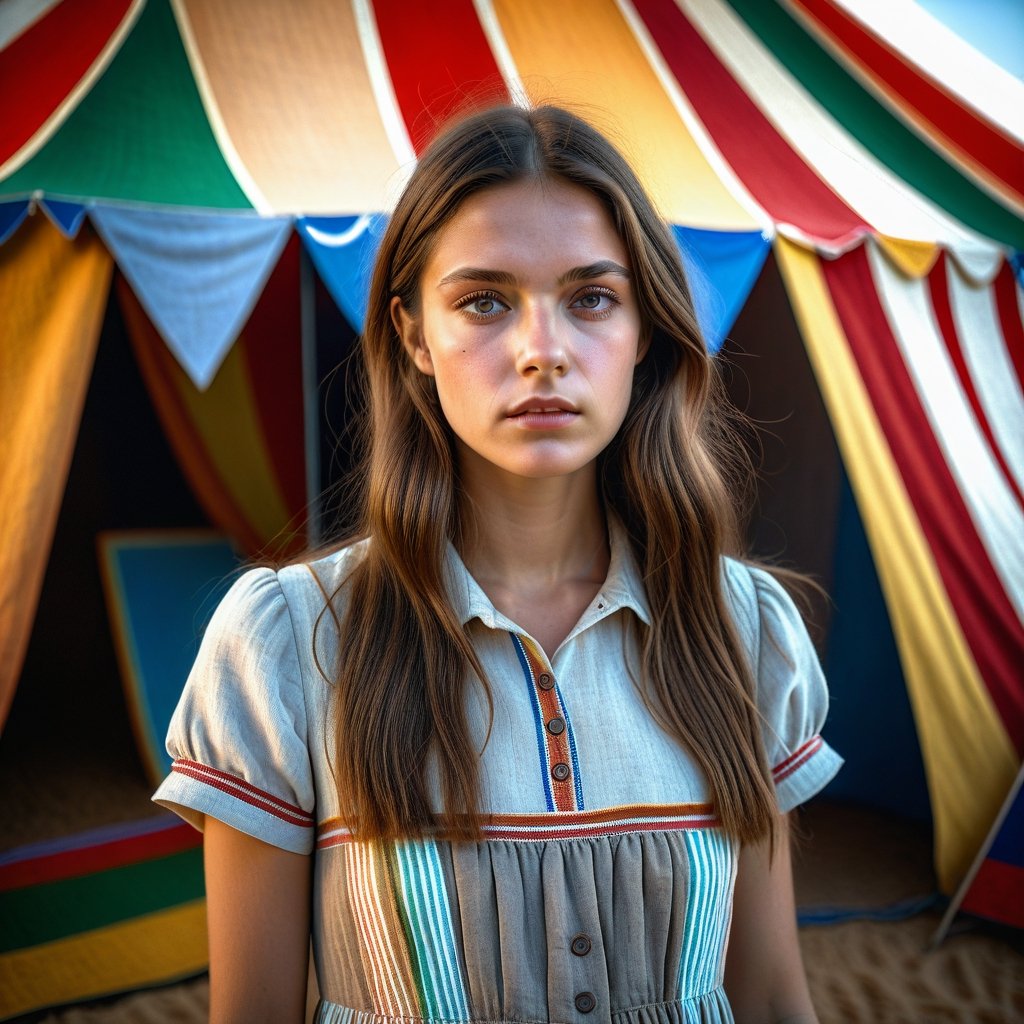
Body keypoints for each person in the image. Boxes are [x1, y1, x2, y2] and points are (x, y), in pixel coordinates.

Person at [154, 103, 842, 1024]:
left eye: (592, 298)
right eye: (484, 300)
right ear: (411, 335)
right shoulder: (287, 643)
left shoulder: (742, 628)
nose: (542, 351)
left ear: (645, 330)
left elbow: (765, 994)